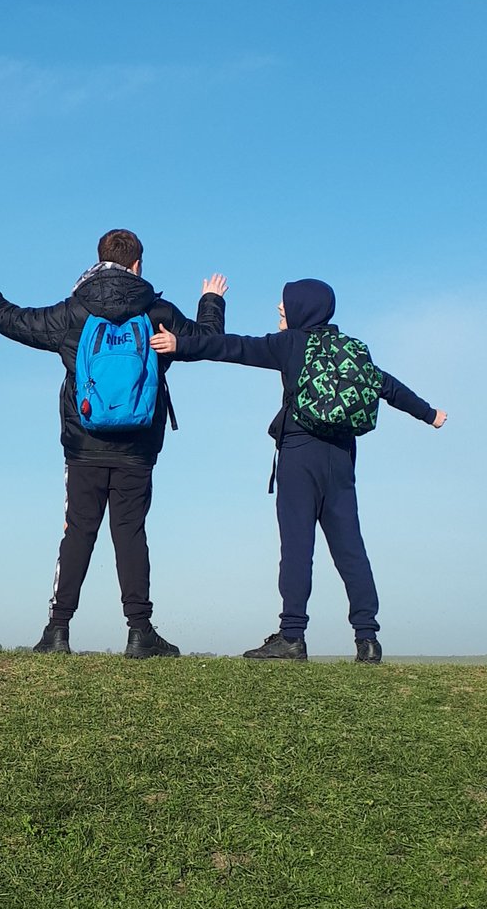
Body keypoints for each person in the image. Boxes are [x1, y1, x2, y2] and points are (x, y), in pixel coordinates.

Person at [0, 228, 227, 658]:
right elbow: (207, 341)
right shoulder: (157, 311)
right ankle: (140, 633)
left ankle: (58, 631)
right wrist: (211, 299)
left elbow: (12, 320)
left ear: (99, 259)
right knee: (130, 532)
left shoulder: (74, 311)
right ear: (137, 265)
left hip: (83, 444)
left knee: (78, 531)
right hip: (137, 446)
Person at [152, 278, 447, 663]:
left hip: (299, 452)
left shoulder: (290, 344)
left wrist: (181, 344)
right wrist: (430, 414)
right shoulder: (352, 349)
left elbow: (234, 347)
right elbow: (388, 386)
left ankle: (292, 637)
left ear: (303, 309)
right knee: (350, 548)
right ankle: (368, 638)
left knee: (297, 547)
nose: (279, 308)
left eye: (285, 304)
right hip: (340, 457)